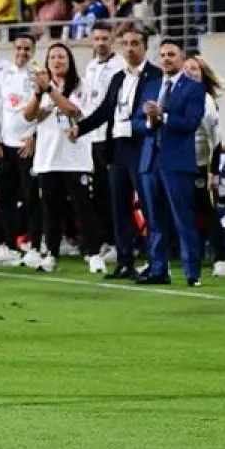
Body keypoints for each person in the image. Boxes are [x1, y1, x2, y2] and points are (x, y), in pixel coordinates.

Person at [71, 22, 162, 279]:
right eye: (126, 44)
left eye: (135, 44)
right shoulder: (118, 78)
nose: (130, 49)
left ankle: (156, 262)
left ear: (145, 47)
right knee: (119, 207)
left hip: (141, 146)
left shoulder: (154, 76)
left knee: (147, 205)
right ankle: (125, 261)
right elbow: (104, 111)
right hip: (117, 146)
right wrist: (81, 128)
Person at [135, 39, 209, 286]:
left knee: (182, 219)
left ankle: (192, 272)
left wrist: (162, 116)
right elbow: (135, 121)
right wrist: (148, 122)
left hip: (177, 162)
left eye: (171, 54)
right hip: (149, 161)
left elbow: (191, 123)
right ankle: (158, 269)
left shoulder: (194, 88)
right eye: (163, 54)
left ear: (181, 57)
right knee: (154, 220)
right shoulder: (151, 85)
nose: (166, 58)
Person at [22, 43, 99, 274]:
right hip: (48, 158)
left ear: (70, 60)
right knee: (50, 210)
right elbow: (28, 116)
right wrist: (39, 92)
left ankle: (93, 253)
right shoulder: (40, 87)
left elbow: (74, 111)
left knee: (83, 207)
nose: (57, 61)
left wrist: (50, 91)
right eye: (53, 57)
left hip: (75, 157)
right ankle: (51, 254)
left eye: (62, 57)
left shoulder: (80, 85)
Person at [79, 24, 126, 271]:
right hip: (92, 139)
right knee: (98, 194)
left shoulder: (118, 67)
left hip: (109, 137)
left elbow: (109, 106)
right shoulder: (91, 67)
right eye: (97, 38)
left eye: (105, 38)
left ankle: (119, 243)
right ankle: (108, 240)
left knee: (112, 193)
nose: (101, 42)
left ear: (113, 39)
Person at [0, 34, 38, 267]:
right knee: (4, 197)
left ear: (33, 50)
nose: (22, 53)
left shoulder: (37, 75)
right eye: (18, 48)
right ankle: (9, 244)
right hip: (6, 145)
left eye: (26, 49)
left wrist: (34, 138)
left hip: (27, 145)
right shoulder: (4, 75)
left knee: (30, 197)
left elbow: (43, 111)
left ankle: (33, 243)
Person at [182, 55, 225, 278]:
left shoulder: (206, 101)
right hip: (180, 164)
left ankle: (222, 259)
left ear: (203, 75)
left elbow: (215, 139)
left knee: (208, 211)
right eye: (186, 68)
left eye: (194, 69)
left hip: (201, 164)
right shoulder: (175, 97)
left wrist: (214, 172)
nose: (189, 72)